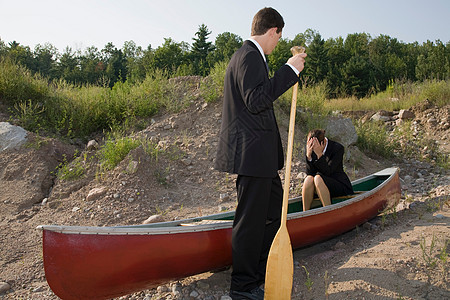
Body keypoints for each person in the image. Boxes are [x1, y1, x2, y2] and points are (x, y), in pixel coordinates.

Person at [214, 7, 307, 300]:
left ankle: (259, 269)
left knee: (276, 216)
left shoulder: (248, 56)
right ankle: (242, 286)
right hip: (253, 158)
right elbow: (256, 100)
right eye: (278, 38)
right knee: (250, 223)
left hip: (260, 160)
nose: (277, 44)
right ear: (272, 31)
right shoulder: (250, 56)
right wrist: (290, 71)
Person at [301, 129, 353, 211]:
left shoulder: (337, 148)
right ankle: (305, 212)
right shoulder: (310, 148)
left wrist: (319, 155)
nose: (311, 147)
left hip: (338, 184)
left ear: (323, 142)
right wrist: (309, 156)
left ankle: (328, 211)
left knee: (318, 178)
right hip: (318, 187)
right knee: (308, 179)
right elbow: (310, 173)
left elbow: (328, 172)